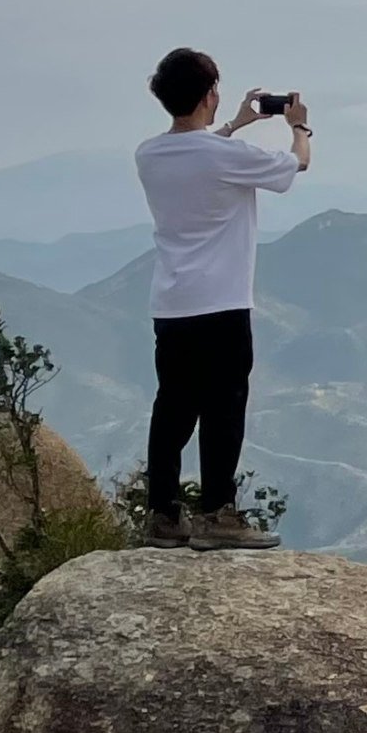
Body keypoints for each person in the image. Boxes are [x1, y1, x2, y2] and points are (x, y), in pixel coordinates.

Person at [134, 48, 307, 547]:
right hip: (222, 303)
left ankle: (162, 515)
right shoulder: (223, 157)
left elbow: (196, 154)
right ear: (210, 93)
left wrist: (232, 125)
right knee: (223, 409)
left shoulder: (149, 153)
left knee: (172, 410)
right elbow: (296, 166)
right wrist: (299, 126)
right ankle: (216, 516)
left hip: (171, 304)